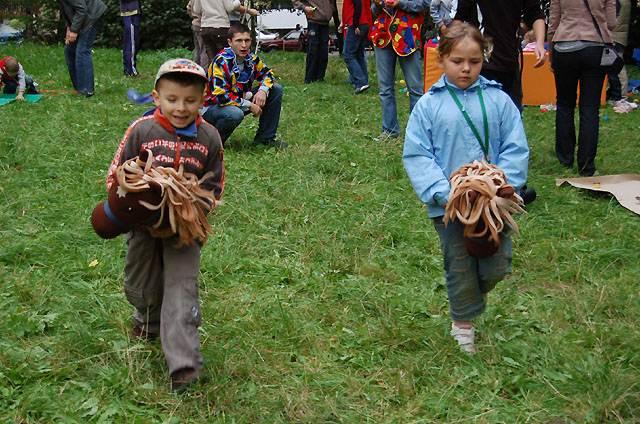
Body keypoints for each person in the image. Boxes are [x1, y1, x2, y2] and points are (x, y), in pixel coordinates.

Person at [403, 22, 529, 354]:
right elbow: (418, 154)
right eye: (458, 61)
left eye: (474, 61)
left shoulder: (499, 100)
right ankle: (463, 324)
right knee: (459, 264)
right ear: (442, 59)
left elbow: (515, 148)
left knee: (496, 265)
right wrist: (446, 194)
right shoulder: (428, 106)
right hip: (448, 208)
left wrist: (502, 187)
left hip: (494, 208)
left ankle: (474, 293)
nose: (466, 68)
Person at [106, 58, 225, 392]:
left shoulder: (209, 137)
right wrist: (128, 192)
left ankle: (183, 366)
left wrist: (194, 202)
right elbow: (117, 171)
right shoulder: (141, 130)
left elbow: (215, 184)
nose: (181, 107)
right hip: (143, 225)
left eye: (190, 100)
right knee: (140, 282)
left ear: (203, 100)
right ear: (156, 97)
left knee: (181, 288)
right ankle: (147, 318)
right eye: (172, 99)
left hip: (185, 229)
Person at [549, 0, 616, 177]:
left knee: (564, 104)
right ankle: (586, 163)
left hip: (564, 45)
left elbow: (553, 21)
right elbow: (612, 23)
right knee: (589, 108)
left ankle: (565, 157)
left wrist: (551, 52)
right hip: (594, 46)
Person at [203, 23, 286, 149]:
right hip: (213, 108)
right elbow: (220, 97)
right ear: (230, 42)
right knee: (235, 114)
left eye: (247, 40)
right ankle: (213, 145)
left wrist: (263, 90)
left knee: (275, 89)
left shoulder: (251, 59)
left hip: (238, 99)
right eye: (239, 41)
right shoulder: (221, 61)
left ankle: (265, 140)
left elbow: (268, 74)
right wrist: (250, 105)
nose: (243, 45)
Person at [454, 0, 546, 111]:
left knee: (512, 116)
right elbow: (459, 18)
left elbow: (536, 14)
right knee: (480, 116)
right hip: (481, 64)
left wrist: (540, 44)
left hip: (510, 62)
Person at [369, 0, 430, 141]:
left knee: (415, 89)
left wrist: (400, 3)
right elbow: (373, 11)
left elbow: (425, 4)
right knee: (385, 89)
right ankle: (389, 131)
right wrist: (378, 4)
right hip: (383, 35)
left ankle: (418, 134)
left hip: (407, 36)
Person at [59, 0, 107, 97]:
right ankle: (79, 88)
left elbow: (81, 9)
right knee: (69, 50)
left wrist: (74, 30)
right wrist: (69, 28)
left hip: (92, 15)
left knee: (82, 50)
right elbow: (67, 9)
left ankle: (87, 90)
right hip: (83, 16)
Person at [192, 0, 258, 63]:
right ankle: (228, 73)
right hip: (220, 26)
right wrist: (237, 2)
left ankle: (213, 73)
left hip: (205, 27)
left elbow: (196, 10)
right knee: (226, 57)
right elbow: (230, 8)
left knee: (212, 59)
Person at [294, 0, 338, 83]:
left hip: (325, 22)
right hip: (314, 21)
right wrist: (304, 7)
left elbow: (332, 2)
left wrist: (330, 10)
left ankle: (320, 78)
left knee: (324, 51)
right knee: (313, 50)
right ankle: (309, 78)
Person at [607, 0, 637, 112]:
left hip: (614, 35)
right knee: (617, 65)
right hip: (619, 35)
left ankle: (620, 95)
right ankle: (617, 94)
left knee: (617, 66)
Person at [341, 0, 373, 93]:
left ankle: (360, 82)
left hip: (357, 23)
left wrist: (355, 25)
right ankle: (364, 81)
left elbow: (357, 4)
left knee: (348, 54)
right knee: (359, 54)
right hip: (364, 23)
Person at [120, 0, 141, 77]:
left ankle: (129, 69)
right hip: (130, 12)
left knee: (131, 42)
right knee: (131, 43)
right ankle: (130, 71)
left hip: (132, 11)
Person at [187, 0, 210, 68]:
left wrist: (193, 16)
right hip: (203, 25)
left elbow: (188, 7)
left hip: (195, 24)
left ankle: (195, 70)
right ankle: (203, 72)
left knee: (197, 50)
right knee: (204, 51)